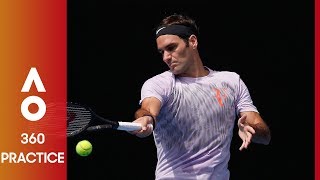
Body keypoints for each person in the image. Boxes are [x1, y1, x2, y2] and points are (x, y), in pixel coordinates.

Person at [129, 13, 271, 180]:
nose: (166, 57)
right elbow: (147, 110)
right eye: (162, 52)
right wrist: (145, 120)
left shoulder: (231, 81)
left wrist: (252, 130)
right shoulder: (160, 83)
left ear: (193, 41)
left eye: (171, 48)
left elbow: (265, 136)